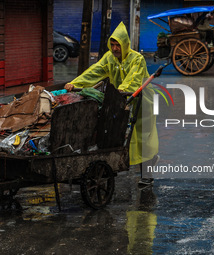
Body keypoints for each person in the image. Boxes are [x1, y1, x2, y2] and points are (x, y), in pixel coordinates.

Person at [64, 22, 159, 186]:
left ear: (125, 45)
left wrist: (120, 93)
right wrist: (75, 83)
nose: (115, 48)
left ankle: (147, 174)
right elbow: (95, 71)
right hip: (121, 101)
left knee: (143, 138)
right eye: (113, 44)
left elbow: (134, 80)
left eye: (118, 45)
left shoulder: (137, 59)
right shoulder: (109, 58)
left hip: (142, 102)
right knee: (120, 134)